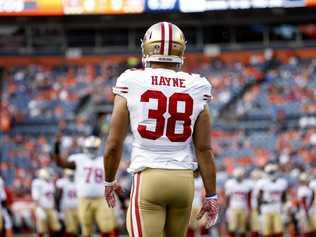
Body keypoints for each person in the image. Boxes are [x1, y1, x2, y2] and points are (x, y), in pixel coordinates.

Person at [103, 21, 218, 237]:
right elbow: (204, 149)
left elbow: (113, 143)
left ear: (147, 47)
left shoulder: (131, 79)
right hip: (184, 182)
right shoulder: (197, 84)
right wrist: (211, 195)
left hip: (149, 177)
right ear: (181, 50)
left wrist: (109, 180)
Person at [52, 135, 119, 237]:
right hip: (84, 199)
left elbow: (112, 179)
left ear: (97, 148)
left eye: (93, 148)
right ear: (85, 148)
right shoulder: (79, 159)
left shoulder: (103, 160)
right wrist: (56, 147)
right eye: (89, 148)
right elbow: (60, 163)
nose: (91, 151)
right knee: (86, 229)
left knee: (107, 226)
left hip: (101, 198)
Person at [256, 164, 288, 237]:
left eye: (273, 172)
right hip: (266, 208)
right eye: (270, 172)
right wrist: (259, 212)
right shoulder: (262, 182)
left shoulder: (282, 182)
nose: (272, 174)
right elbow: (259, 198)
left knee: (279, 231)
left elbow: (284, 197)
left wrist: (284, 208)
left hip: (277, 207)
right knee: (266, 231)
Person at [31, 168, 61, 237]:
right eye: (49, 175)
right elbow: (36, 197)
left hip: (50, 208)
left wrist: (54, 207)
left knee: (56, 227)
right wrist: (38, 208)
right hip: (42, 207)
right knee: (42, 229)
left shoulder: (50, 184)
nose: (51, 177)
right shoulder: (37, 183)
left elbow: (52, 197)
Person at [224, 167, 251, 237]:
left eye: (241, 176)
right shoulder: (230, 183)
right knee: (232, 228)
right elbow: (227, 198)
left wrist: (248, 209)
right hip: (233, 208)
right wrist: (227, 209)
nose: (240, 177)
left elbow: (248, 198)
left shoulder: (247, 184)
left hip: (243, 208)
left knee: (243, 229)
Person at [56, 169, 80, 237]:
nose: (71, 177)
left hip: (77, 207)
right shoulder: (62, 182)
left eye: (72, 175)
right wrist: (58, 209)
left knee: (77, 227)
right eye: (70, 175)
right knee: (71, 228)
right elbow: (57, 196)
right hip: (67, 208)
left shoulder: (78, 181)